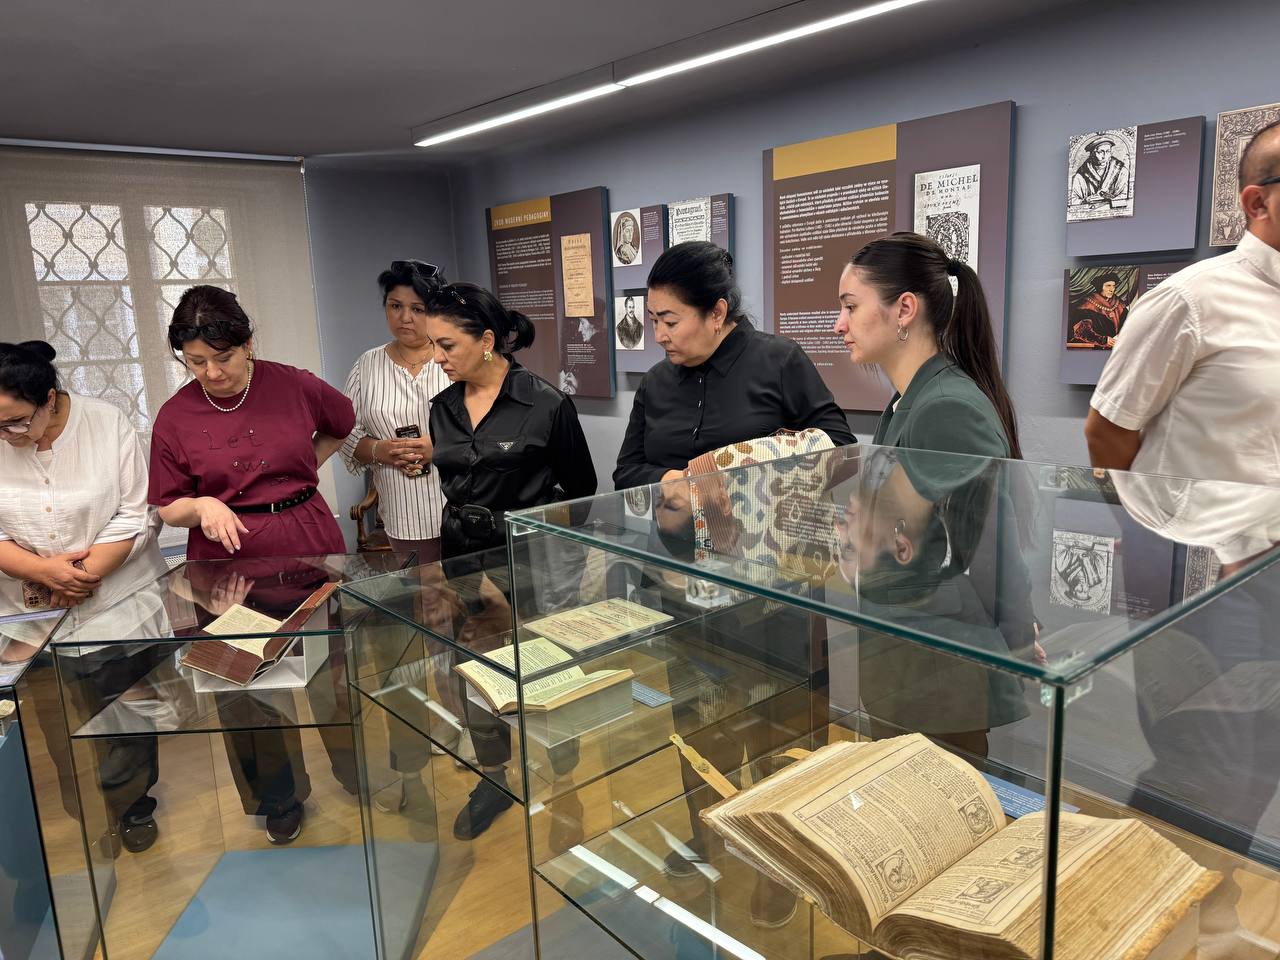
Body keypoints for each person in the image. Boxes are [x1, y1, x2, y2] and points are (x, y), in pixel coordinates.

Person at [148, 285, 356, 845]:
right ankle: (278, 797)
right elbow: (168, 505)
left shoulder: (294, 385)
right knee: (242, 683)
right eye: (195, 362)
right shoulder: (175, 416)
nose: (211, 372)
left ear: (248, 343)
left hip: (306, 539)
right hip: (225, 564)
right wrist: (205, 505)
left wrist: (301, 472)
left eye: (224, 357)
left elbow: (343, 421)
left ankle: (355, 770)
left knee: (330, 668)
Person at [423, 279, 596, 839]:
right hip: (462, 562)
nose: (437, 357)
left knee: (544, 670)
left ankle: (563, 779)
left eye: (447, 345)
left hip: (532, 564)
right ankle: (494, 776)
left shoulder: (546, 403)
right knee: (476, 670)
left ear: (488, 340)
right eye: (433, 345)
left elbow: (583, 494)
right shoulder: (442, 409)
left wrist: (542, 569)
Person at [0, 340, 168, 853]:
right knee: (59, 722)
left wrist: (82, 574)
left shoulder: (105, 422)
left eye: (16, 421)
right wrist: (42, 572)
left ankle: (134, 806)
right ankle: (91, 813)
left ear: (50, 398)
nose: (7, 435)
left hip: (115, 598)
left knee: (123, 711)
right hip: (28, 612)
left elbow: (136, 511)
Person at [1086, 119, 1280, 485]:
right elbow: (1107, 431)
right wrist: (1153, 527)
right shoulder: (1189, 300)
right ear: (1258, 202)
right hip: (1226, 538)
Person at [615, 241, 854, 491]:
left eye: (671, 322)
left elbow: (841, 448)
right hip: (669, 528)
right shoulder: (654, 382)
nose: (659, 336)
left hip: (758, 527)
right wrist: (676, 482)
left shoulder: (780, 361)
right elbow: (625, 472)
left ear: (717, 313)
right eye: (654, 321)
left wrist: (748, 475)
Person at [835, 231, 1022, 459]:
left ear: (904, 309)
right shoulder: (916, 399)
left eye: (851, 307)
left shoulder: (947, 409)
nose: (839, 326)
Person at [340, 259, 451, 565]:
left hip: (459, 505)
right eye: (395, 306)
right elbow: (346, 437)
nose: (405, 318)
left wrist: (440, 447)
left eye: (418, 309)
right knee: (423, 597)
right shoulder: (367, 365)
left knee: (468, 597)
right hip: (403, 509)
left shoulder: (454, 358)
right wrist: (381, 450)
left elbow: (488, 429)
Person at [1068, 272, 1129, 347]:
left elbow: (1128, 323)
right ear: (1100, 287)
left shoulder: (1119, 303)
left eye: (1113, 286)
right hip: (1095, 347)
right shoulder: (1087, 305)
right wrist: (1103, 340)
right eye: (1108, 286)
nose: (1112, 289)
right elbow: (1081, 331)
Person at [1070, 134, 1129, 209]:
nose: (1105, 156)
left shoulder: (1121, 170)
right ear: (1092, 154)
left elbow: (1125, 196)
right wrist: (1085, 200)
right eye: (1101, 152)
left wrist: (1108, 199)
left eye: (1108, 151)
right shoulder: (1081, 175)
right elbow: (1073, 200)